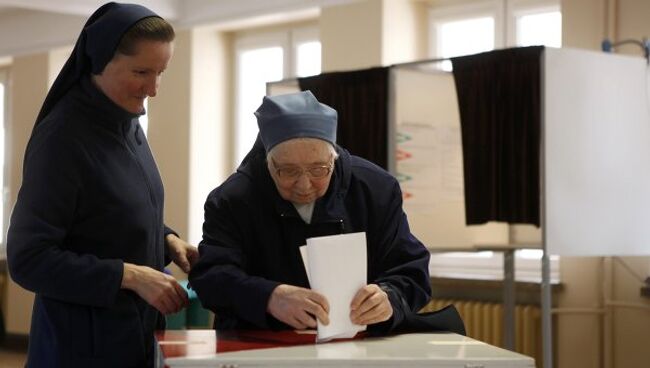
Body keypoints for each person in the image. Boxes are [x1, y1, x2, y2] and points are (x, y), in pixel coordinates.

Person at [6, 3, 198, 367]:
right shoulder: (63, 139)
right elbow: (27, 258)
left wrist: (165, 239)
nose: (154, 89)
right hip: (79, 349)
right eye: (141, 71)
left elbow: (109, 213)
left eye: (161, 72)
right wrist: (129, 275)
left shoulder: (128, 123)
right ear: (99, 61)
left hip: (134, 339)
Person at [189, 90, 432, 334]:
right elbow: (212, 277)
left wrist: (390, 298)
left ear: (333, 158)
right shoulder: (234, 199)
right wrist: (269, 297)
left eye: (319, 170)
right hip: (261, 343)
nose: (304, 185)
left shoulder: (376, 190)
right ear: (268, 162)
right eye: (288, 171)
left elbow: (410, 270)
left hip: (358, 344)